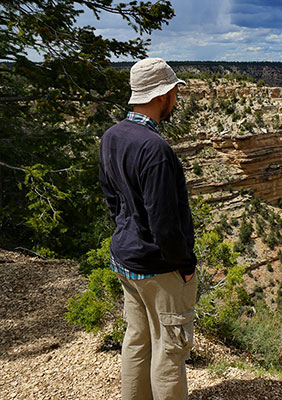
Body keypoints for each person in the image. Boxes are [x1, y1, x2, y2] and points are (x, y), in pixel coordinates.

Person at [98, 58, 197, 400]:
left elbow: (112, 198)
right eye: (174, 92)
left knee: (137, 339)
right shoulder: (154, 149)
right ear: (162, 95)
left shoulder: (112, 136)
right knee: (170, 349)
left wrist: (128, 232)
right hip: (159, 267)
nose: (175, 99)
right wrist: (184, 265)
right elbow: (164, 223)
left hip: (126, 259)